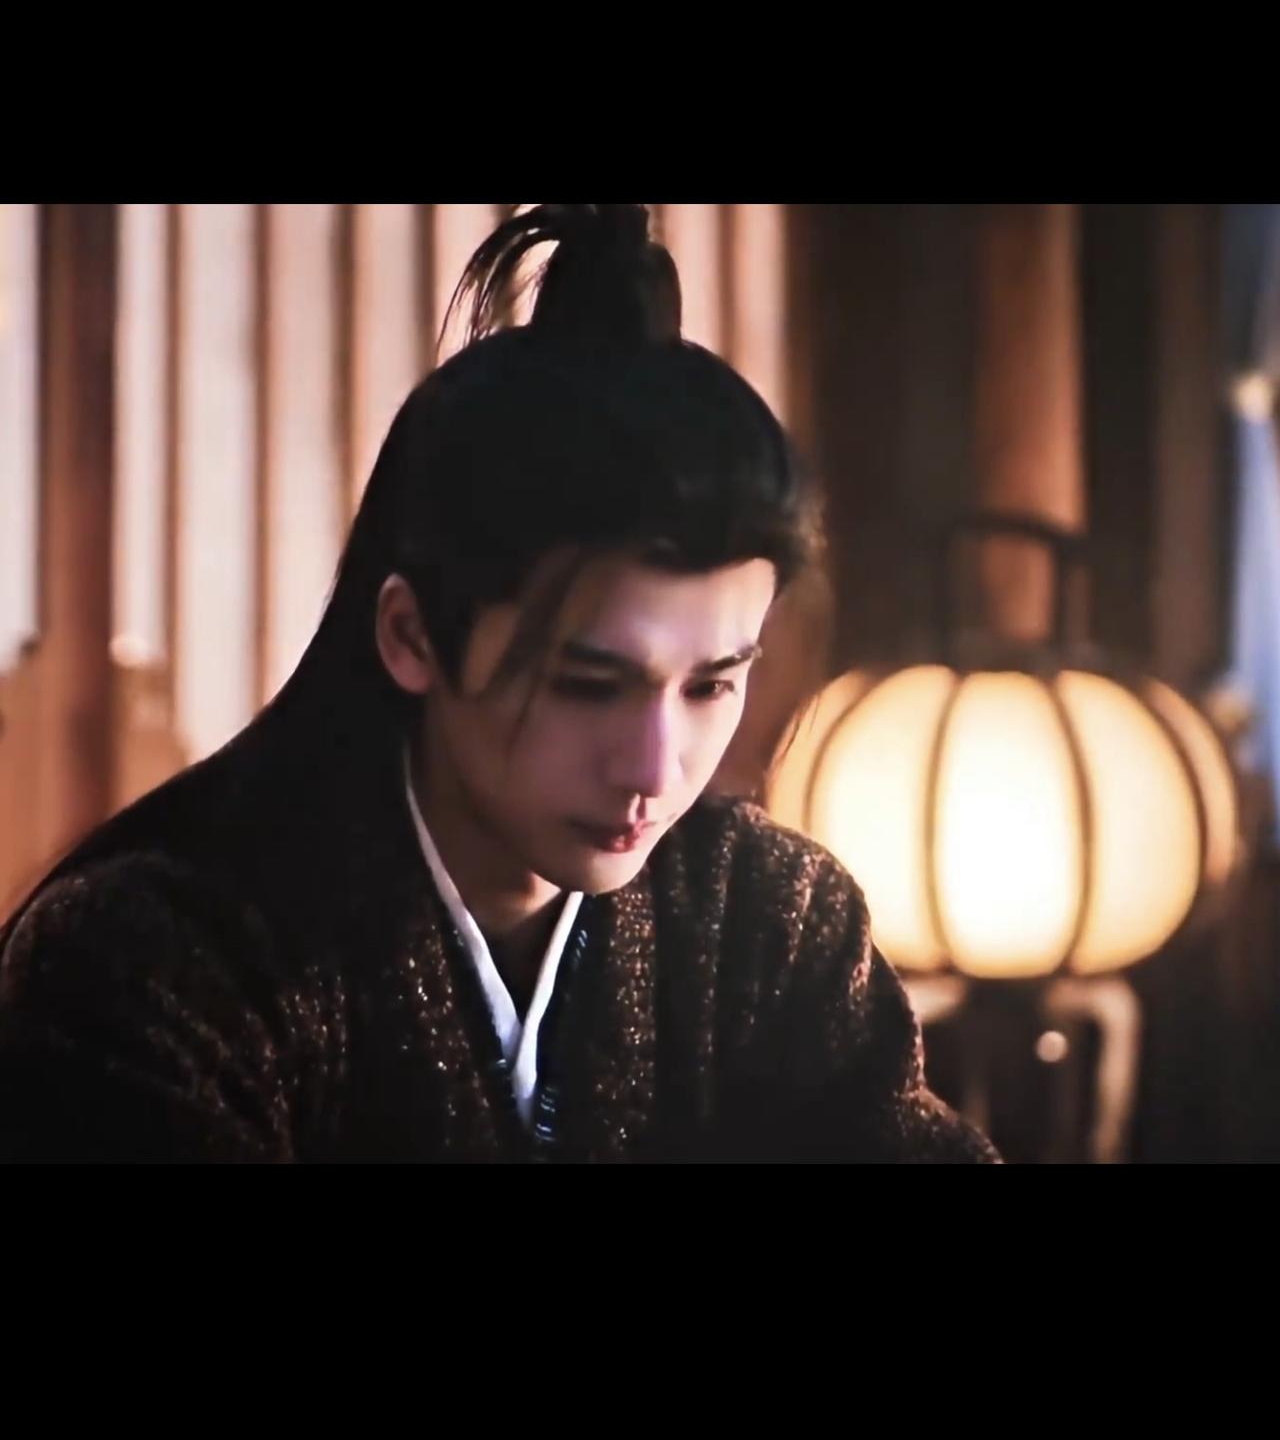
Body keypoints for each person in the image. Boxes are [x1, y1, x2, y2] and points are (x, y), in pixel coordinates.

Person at [0, 203, 1000, 1163]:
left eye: (709, 686)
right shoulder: (156, 961)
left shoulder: (767, 921)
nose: (654, 767)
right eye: (588, 683)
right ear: (412, 635)